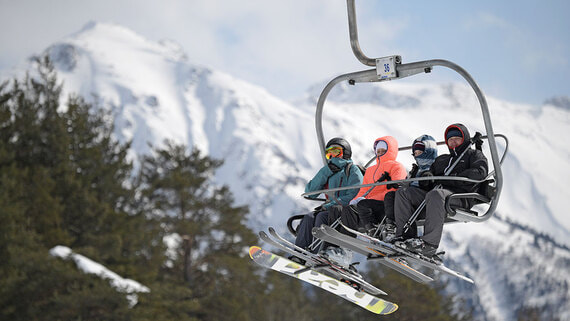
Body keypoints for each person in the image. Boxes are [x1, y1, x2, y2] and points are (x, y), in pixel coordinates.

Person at [392, 123, 488, 257]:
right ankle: (405, 236)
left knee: (436, 194)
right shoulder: (442, 159)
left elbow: (480, 172)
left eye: (457, 139)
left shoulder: (474, 155)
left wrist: (454, 177)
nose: (453, 142)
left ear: (464, 139)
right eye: (450, 139)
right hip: (437, 194)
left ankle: (429, 244)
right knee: (403, 193)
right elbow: (431, 176)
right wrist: (427, 178)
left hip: (460, 196)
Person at [322, 136, 406, 265]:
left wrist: (391, 183)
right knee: (341, 209)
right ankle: (332, 249)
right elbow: (363, 190)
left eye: (383, 150)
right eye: (378, 151)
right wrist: (354, 201)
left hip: (384, 205)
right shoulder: (371, 170)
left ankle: (349, 248)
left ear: (391, 150)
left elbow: (399, 187)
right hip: (365, 206)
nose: (380, 153)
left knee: (360, 205)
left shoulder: (397, 166)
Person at [291, 137, 363, 263]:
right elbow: (310, 192)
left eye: (336, 151)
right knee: (309, 217)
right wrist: (325, 172)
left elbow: (355, 194)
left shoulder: (352, 170)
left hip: (344, 210)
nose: (333, 156)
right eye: (330, 153)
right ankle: (300, 253)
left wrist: (332, 204)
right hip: (329, 209)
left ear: (345, 153)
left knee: (321, 218)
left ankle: (317, 254)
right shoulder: (329, 171)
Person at [382, 134, 438, 241]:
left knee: (403, 193)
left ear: (429, 151)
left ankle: (406, 235)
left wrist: (429, 179)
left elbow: (437, 182)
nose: (417, 156)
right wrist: (394, 184)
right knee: (390, 196)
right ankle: (391, 228)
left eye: (420, 153)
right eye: (415, 153)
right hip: (411, 197)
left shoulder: (435, 166)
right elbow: (407, 184)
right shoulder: (416, 170)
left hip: (425, 200)